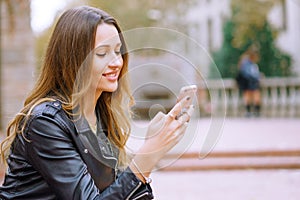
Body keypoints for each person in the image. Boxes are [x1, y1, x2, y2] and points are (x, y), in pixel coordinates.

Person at [0, 6, 194, 199]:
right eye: (102, 53)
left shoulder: (101, 115)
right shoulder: (44, 122)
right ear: (73, 59)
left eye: (118, 51)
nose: (117, 62)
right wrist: (147, 156)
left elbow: (114, 192)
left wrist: (152, 144)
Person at [236, 45, 262, 117]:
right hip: (250, 82)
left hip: (247, 82)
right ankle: (254, 112)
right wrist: (257, 77)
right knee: (253, 96)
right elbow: (250, 73)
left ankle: (250, 112)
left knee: (249, 96)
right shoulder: (248, 63)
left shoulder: (245, 62)